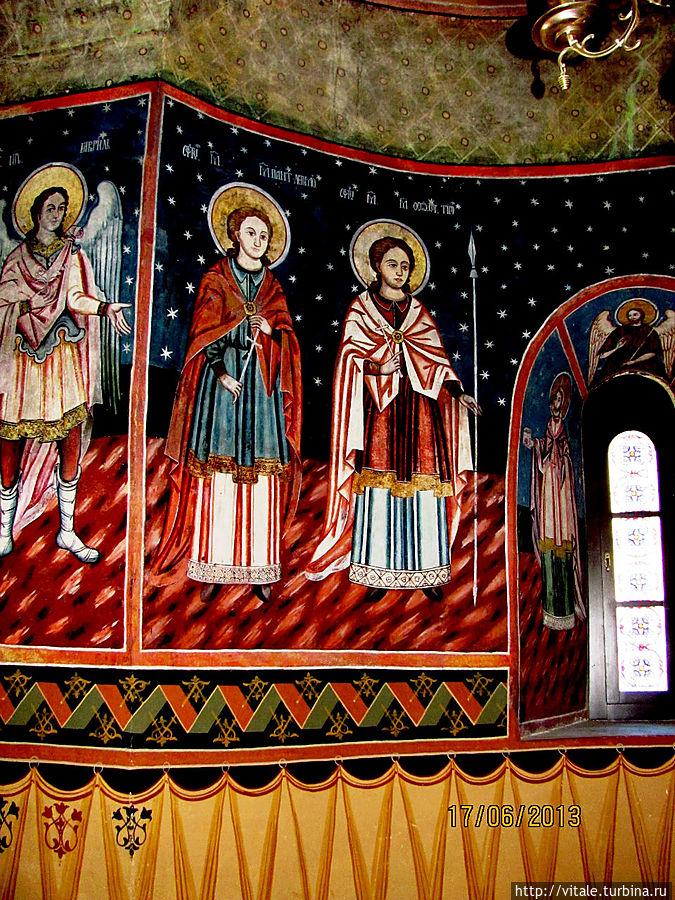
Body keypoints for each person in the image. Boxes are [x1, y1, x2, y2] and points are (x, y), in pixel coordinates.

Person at [305, 223, 478, 602]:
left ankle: (428, 570)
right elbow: (349, 359)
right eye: (392, 264)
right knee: (379, 486)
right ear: (376, 266)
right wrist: (378, 367)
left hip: (420, 415)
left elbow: (436, 360)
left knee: (424, 487)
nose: (400, 271)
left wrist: (457, 393)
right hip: (381, 414)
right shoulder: (361, 310)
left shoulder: (418, 312)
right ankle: (377, 571)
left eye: (405, 266)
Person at [154, 185, 302, 602]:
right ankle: (214, 564)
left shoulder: (272, 287)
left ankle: (260, 567)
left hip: (262, 392)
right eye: (251, 233)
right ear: (236, 235)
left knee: (262, 477)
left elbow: (288, 338)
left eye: (264, 236)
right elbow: (203, 335)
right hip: (223, 391)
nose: (258, 241)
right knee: (218, 474)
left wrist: (271, 331)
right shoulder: (216, 279)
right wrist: (221, 371)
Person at [0, 168, 130, 563]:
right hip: (23, 363)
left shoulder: (71, 255)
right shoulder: (16, 258)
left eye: (61, 208)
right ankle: (3, 530)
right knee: (10, 440)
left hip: (60, 358)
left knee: (69, 438)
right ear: (36, 212)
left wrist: (104, 308)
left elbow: (75, 297)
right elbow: (3, 302)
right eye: (50, 207)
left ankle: (67, 531)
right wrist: (26, 306)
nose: (56, 214)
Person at [523, 372, 585, 630]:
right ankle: (551, 610)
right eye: (554, 399)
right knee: (550, 549)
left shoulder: (563, 431)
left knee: (563, 550)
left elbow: (566, 456)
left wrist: (559, 457)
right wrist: (534, 445)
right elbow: (542, 451)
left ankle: (567, 609)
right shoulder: (549, 427)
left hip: (561, 494)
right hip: (548, 492)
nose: (556, 404)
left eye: (560, 400)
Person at [590, 299, 666, 385]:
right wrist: (617, 348)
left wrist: (634, 361)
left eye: (635, 315)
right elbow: (603, 355)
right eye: (629, 315)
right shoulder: (620, 331)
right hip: (618, 365)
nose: (631, 317)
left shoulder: (649, 332)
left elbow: (653, 352)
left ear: (641, 315)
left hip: (642, 366)